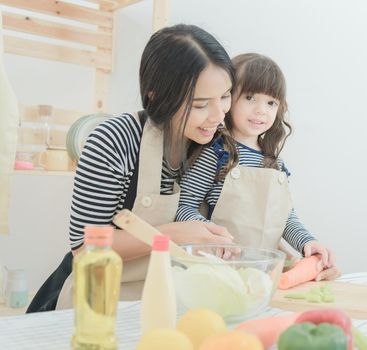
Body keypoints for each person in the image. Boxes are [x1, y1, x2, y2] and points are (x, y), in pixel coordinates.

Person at [27, 24, 236, 312]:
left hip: (171, 301)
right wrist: (172, 235)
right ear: (156, 95)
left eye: (225, 96)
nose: (218, 115)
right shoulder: (114, 139)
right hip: (101, 303)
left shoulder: (215, 145)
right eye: (200, 104)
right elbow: (85, 248)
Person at [176, 53, 340, 280]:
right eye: (250, 97)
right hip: (215, 271)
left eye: (271, 102)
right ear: (228, 98)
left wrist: (307, 242)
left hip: (262, 276)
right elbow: (183, 208)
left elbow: (286, 218)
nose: (261, 110)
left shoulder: (275, 165)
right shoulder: (216, 152)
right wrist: (215, 238)